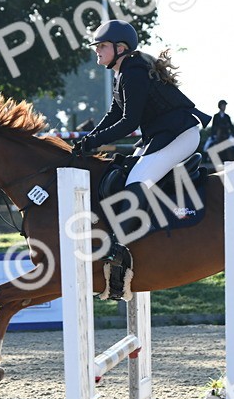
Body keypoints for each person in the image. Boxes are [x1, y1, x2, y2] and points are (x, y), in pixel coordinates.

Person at [72, 19, 211, 252]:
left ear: (120, 48)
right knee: (124, 172)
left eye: (102, 45)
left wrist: (94, 141)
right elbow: (114, 114)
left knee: (138, 179)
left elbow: (129, 122)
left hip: (180, 136)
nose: (97, 50)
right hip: (162, 135)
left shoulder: (134, 72)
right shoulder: (123, 72)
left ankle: (119, 248)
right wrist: (89, 139)